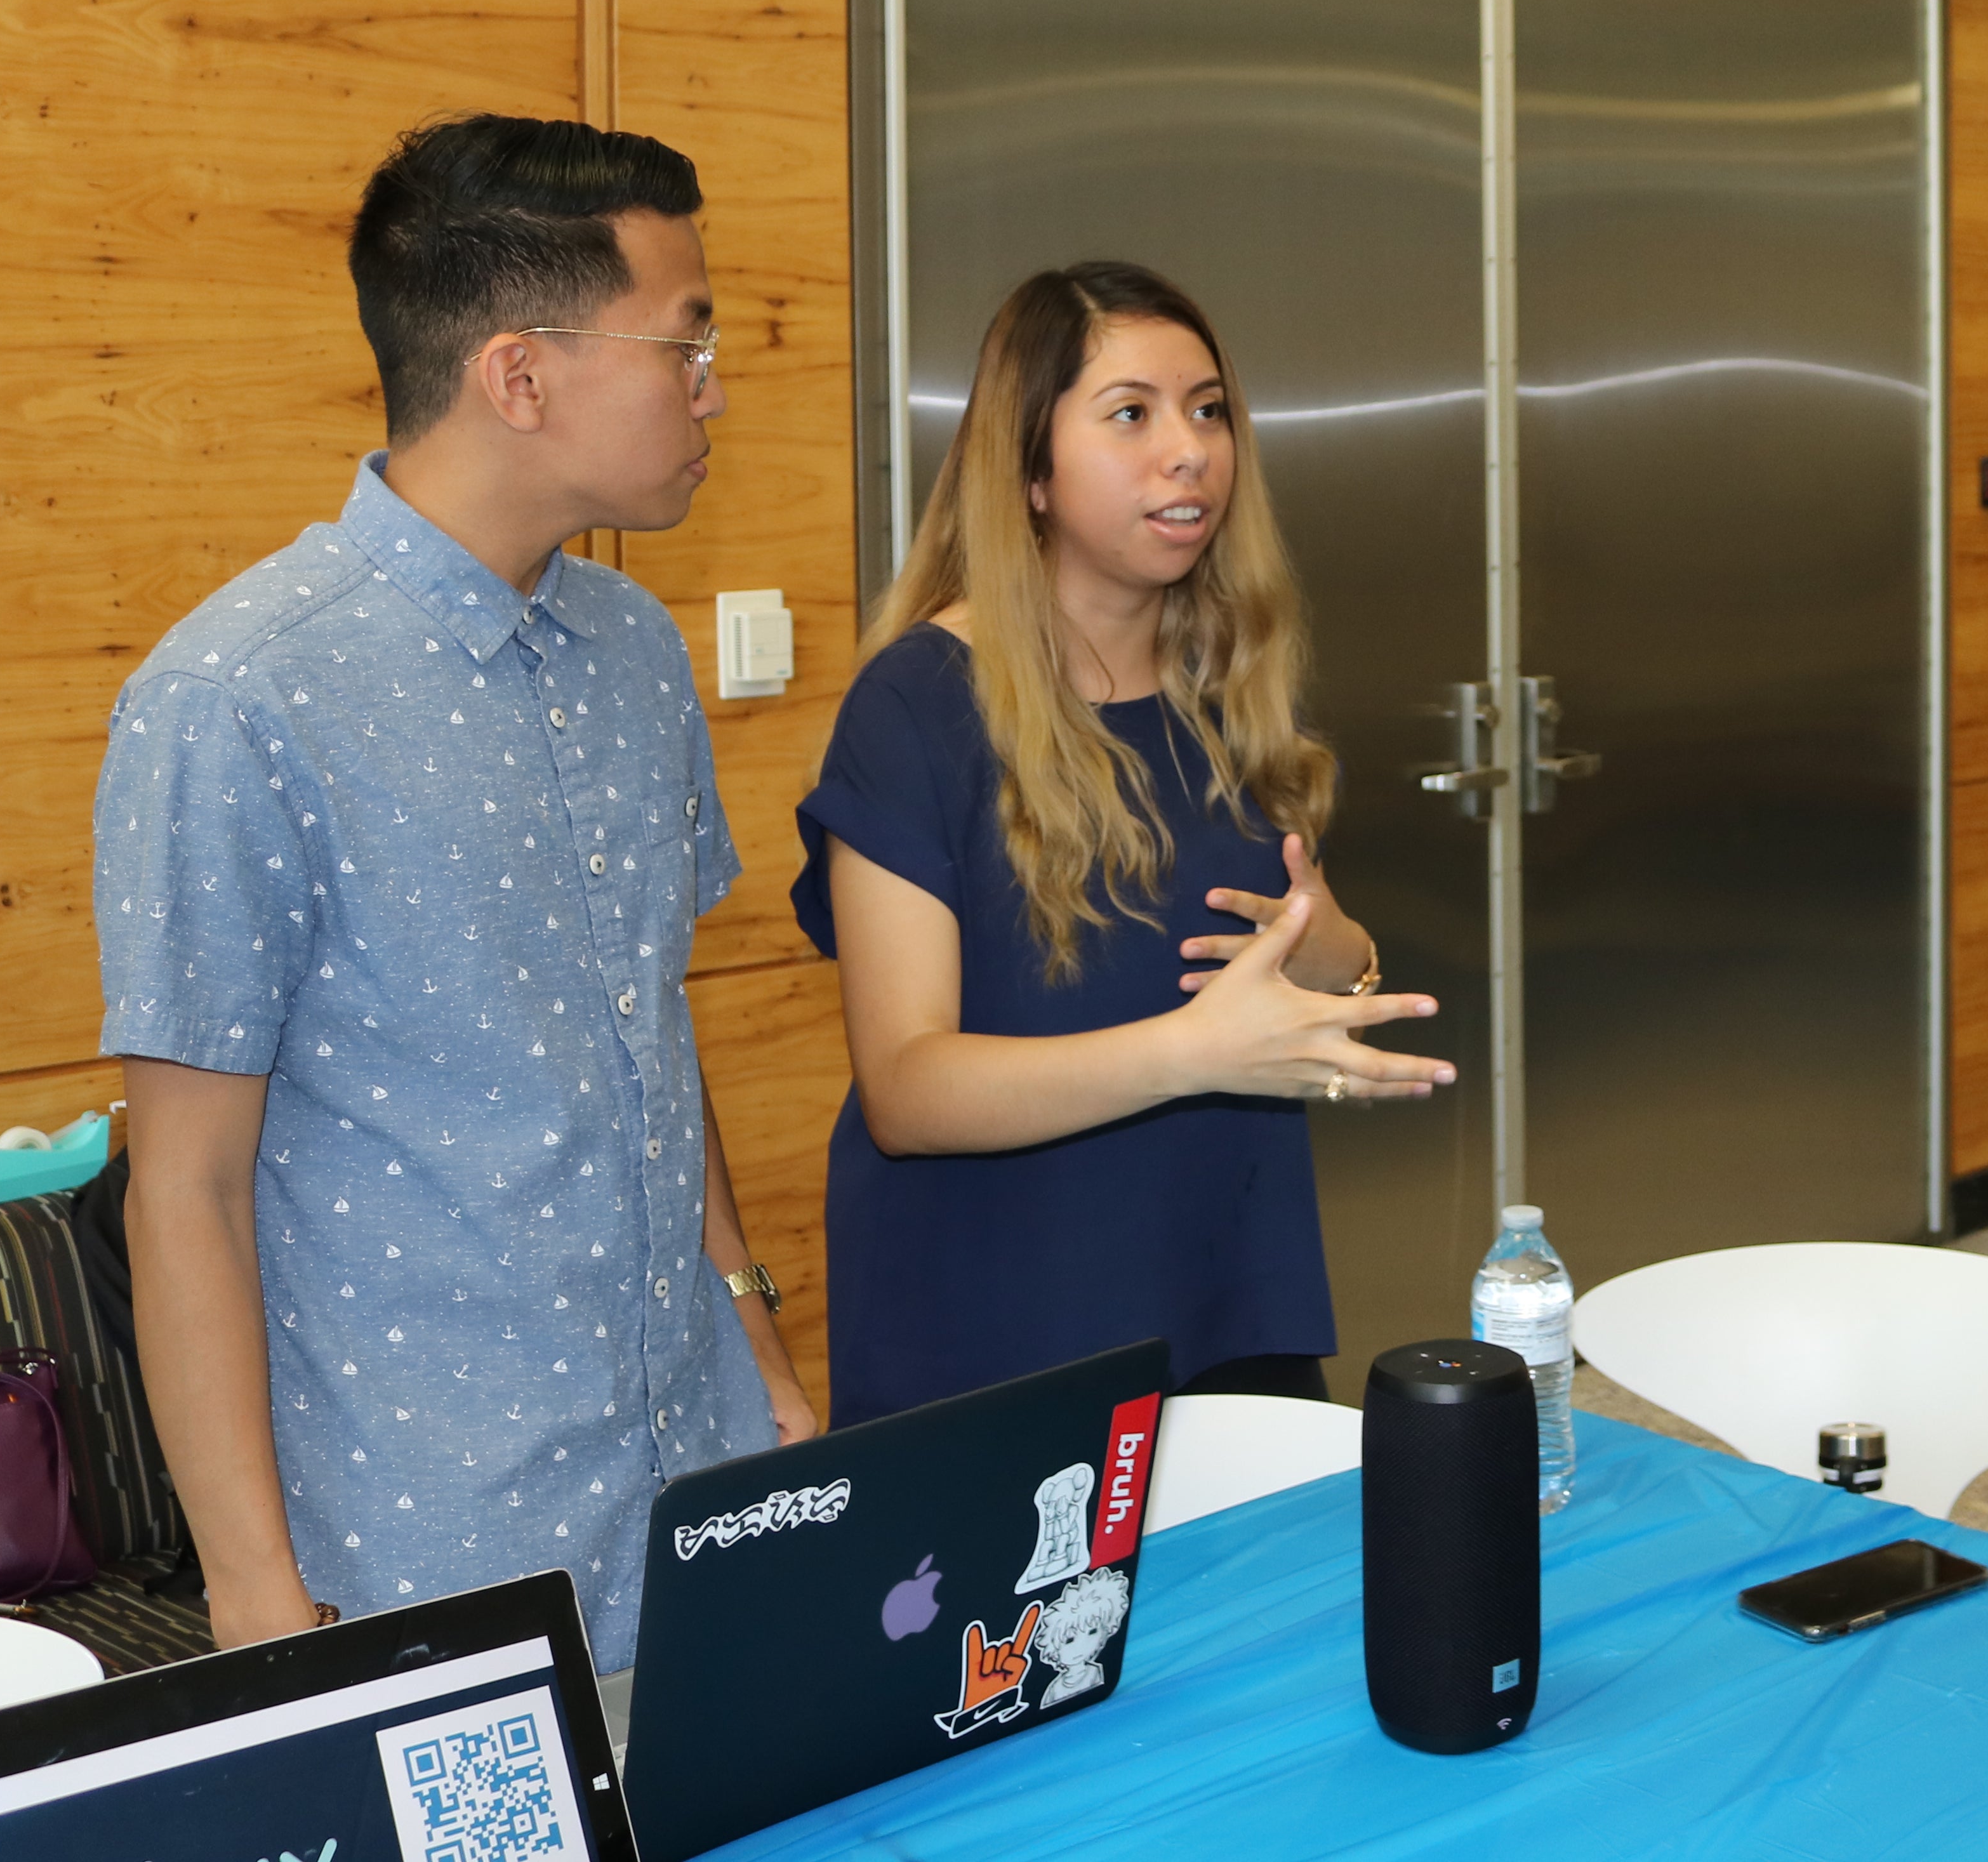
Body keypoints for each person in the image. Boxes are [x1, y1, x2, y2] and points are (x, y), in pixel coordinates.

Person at [99, 114, 817, 1688]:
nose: (713, 390)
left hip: (685, 1478)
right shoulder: (239, 697)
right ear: (519, 372)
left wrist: (752, 1330)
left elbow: (654, 1033)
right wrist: (253, 1607)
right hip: (435, 1542)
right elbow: (186, 1191)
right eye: (685, 342)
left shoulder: (631, 650)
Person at [793, 263, 1449, 1425]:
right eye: (1131, 414)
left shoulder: (1224, 687)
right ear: (1030, 470)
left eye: (1208, 410)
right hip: (1005, 1338)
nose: (1189, 450)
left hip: (1233, 1309)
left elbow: (1318, 952)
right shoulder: (916, 707)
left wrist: (1332, 963)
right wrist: (1196, 1050)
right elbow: (908, 1088)